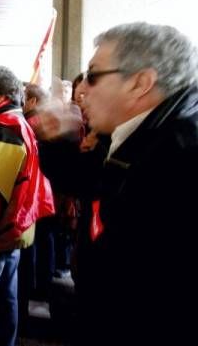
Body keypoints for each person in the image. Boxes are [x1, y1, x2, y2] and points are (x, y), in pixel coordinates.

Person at [37, 22, 198, 345]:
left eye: (94, 76)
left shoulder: (183, 152)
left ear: (140, 83)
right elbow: (95, 184)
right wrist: (59, 141)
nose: (83, 90)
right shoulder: (144, 134)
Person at [0, 66, 54, 346]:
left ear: (1, 95)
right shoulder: (7, 122)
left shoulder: (5, 129)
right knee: (5, 300)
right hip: (13, 231)